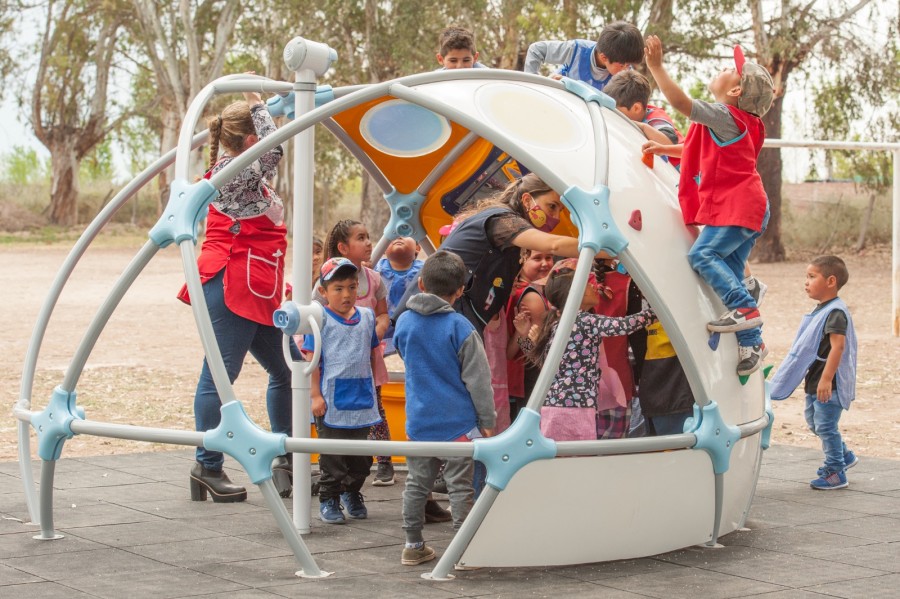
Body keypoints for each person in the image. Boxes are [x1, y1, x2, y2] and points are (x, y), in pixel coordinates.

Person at [179, 89, 294, 503]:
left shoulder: (237, 170)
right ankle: (206, 465)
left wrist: (263, 111)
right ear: (249, 140)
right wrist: (262, 108)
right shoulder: (236, 170)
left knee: (287, 370)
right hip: (234, 283)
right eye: (259, 130)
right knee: (220, 375)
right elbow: (273, 151)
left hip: (255, 286)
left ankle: (287, 455)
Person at [644, 36, 775, 376]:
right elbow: (694, 149)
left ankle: (745, 307)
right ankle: (753, 342)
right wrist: (663, 151)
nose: (723, 68)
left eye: (731, 70)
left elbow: (681, 103)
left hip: (738, 207)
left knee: (702, 256)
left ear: (735, 92)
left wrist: (656, 68)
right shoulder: (741, 123)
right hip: (748, 207)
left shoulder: (723, 115)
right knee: (728, 270)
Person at [393, 251, 496, 566]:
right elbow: (479, 381)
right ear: (461, 289)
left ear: (421, 283)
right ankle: (462, 549)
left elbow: (401, 349)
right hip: (458, 425)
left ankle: (413, 544)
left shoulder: (405, 321)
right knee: (460, 488)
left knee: (416, 485)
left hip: (420, 423)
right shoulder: (461, 327)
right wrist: (487, 420)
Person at [396, 173, 589, 337]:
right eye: (552, 206)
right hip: (434, 317)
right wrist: (601, 249)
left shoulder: (509, 231)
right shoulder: (502, 220)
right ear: (527, 200)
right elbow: (553, 245)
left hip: (452, 318)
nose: (555, 217)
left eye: (560, 210)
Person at [519, 259, 655, 441]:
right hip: (579, 406)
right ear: (578, 295)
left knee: (563, 459)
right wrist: (653, 313)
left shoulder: (556, 325)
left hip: (553, 406)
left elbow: (544, 362)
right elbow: (623, 325)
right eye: (588, 285)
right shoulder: (585, 321)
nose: (593, 286)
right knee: (584, 457)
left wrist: (525, 339)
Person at [303, 258, 382, 523]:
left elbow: (370, 355)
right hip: (331, 400)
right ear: (323, 292)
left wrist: (373, 388)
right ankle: (329, 497)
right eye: (338, 288)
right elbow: (312, 360)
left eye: (352, 286)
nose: (346, 294)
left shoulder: (367, 317)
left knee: (361, 458)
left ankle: (352, 491)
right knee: (333, 456)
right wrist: (315, 395)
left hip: (361, 397)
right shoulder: (320, 319)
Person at [770, 256, 859, 490]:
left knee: (826, 426)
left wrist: (827, 379)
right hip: (816, 381)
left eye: (811, 277)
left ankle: (836, 471)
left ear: (831, 281)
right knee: (814, 422)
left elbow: (838, 346)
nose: (806, 282)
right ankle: (844, 455)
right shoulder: (822, 310)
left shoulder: (835, 312)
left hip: (829, 383)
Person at [320, 220, 396, 486]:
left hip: (367, 360)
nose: (368, 243)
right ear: (343, 247)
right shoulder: (328, 280)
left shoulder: (374, 279)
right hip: (338, 362)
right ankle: (336, 471)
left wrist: (381, 325)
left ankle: (383, 461)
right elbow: (316, 317)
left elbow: (383, 312)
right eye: (360, 238)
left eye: (368, 237)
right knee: (337, 416)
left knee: (375, 408)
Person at [524, 21, 644, 92]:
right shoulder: (576, 50)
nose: (628, 70)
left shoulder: (625, 78)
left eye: (630, 65)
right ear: (604, 58)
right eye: (625, 65)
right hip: (559, 99)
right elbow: (536, 50)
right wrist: (533, 84)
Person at [506, 250, 554, 418]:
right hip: (529, 376)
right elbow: (532, 351)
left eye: (548, 257)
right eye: (537, 258)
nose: (545, 263)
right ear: (522, 261)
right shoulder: (531, 297)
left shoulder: (518, 291)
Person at [603, 70, 683, 165]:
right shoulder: (639, 112)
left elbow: (668, 143)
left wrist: (642, 127)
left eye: (618, 111)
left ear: (636, 108)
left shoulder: (656, 118)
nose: (616, 115)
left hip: (688, 170)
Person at [375, 236, 423, 355]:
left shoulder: (425, 271)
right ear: (384, 249)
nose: (399, 237)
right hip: (382, 332)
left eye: (406, 234)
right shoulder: (375, 269)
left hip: (413, 334)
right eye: (392, 237)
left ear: (417, 247)